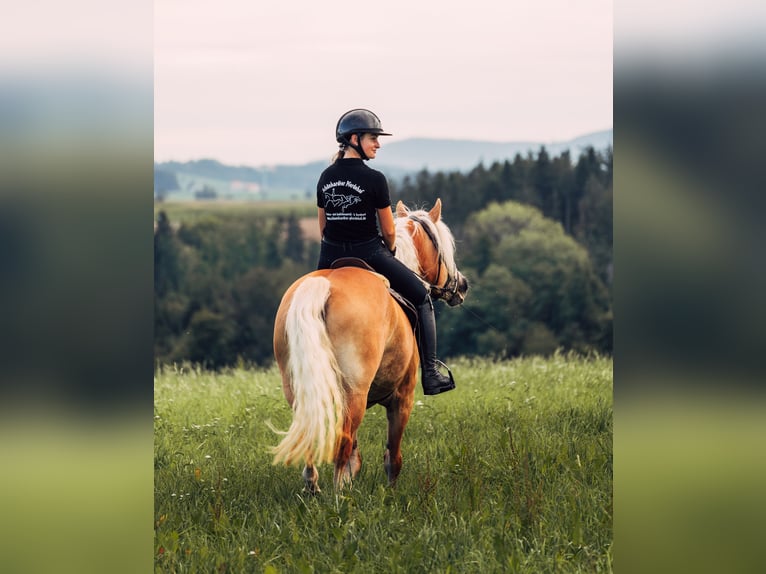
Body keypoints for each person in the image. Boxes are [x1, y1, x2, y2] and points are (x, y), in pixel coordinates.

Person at [316, 108, 455, 395]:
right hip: (369, 253)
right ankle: (430, 373)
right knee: (422, 296)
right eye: (372, 138)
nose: (378, 144)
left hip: (329, 257)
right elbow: (390, 231)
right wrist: (390, 250)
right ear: (354, 139)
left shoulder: (325, 177)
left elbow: (323, 226)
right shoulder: (375, 179)